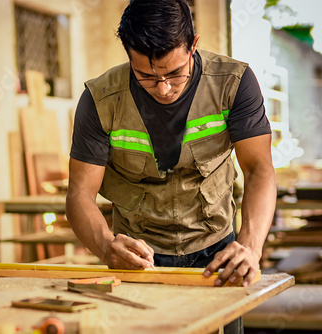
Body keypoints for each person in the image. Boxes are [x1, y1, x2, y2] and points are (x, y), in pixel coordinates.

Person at [66, 1, 275, 331]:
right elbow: (79, 194)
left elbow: (259, 170)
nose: (163, 88)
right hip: (139, 260)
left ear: (193, 45)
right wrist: (107, 247)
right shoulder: (101, 99)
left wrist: (250, 247)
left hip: (219, 256)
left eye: (175, 73)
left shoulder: (234, 84)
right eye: (146, 76)